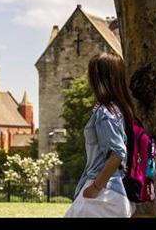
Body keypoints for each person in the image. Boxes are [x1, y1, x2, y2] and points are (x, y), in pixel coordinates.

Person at [65, 52, 136, 218]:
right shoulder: (117, 109)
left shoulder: (106, 113)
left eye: (92, 75)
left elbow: (118, 153)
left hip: (104, 194)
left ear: (100, 78)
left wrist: (95, 187)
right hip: (110, 192)